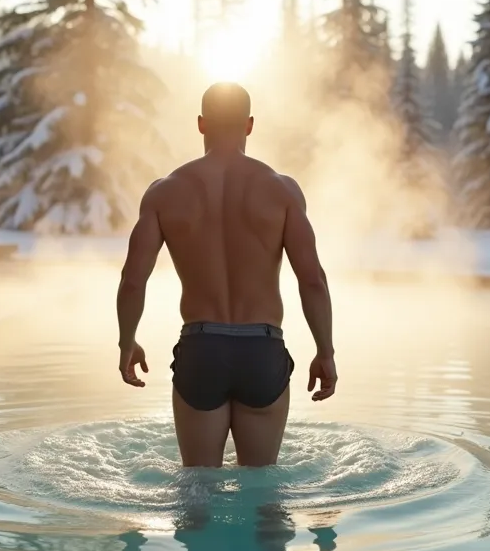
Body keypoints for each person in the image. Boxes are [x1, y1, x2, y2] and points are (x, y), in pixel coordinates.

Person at [115, 82, 338, 468]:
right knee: (264, 493)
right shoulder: (281, 191)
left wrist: (127, 343)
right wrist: (325, 352)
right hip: (262, 351)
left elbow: (134, 279)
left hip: (202, 350)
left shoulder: (165, 193)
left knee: (197, 493)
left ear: (201, 124)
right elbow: (312, 279)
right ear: (249, 125)